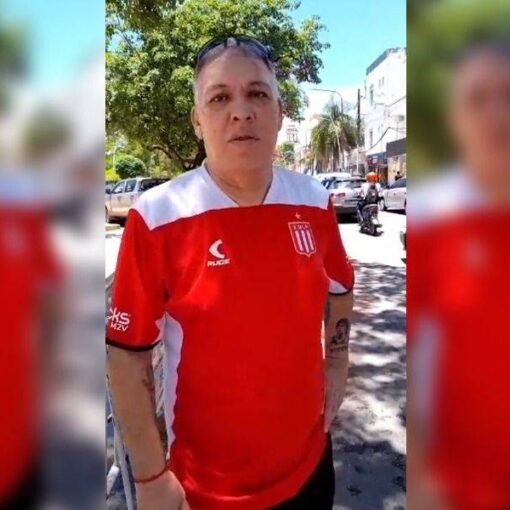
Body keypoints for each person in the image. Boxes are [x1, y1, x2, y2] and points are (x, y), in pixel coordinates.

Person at [106, 35, 354, 510]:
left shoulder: (314, 202)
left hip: (309, 467)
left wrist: (337, 361)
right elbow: (127, 355)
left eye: (257, 93)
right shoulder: (156, 217)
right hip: (203, 490)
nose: (241, 112)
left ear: (280, 112)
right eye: (220, 98)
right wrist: (151, 477)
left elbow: (341, 287)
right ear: (197, 120)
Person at [408, 40, 510, 509]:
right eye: (477, 98)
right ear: (455, 118)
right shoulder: (432, 219)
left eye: (506, 94)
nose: (496, 114)